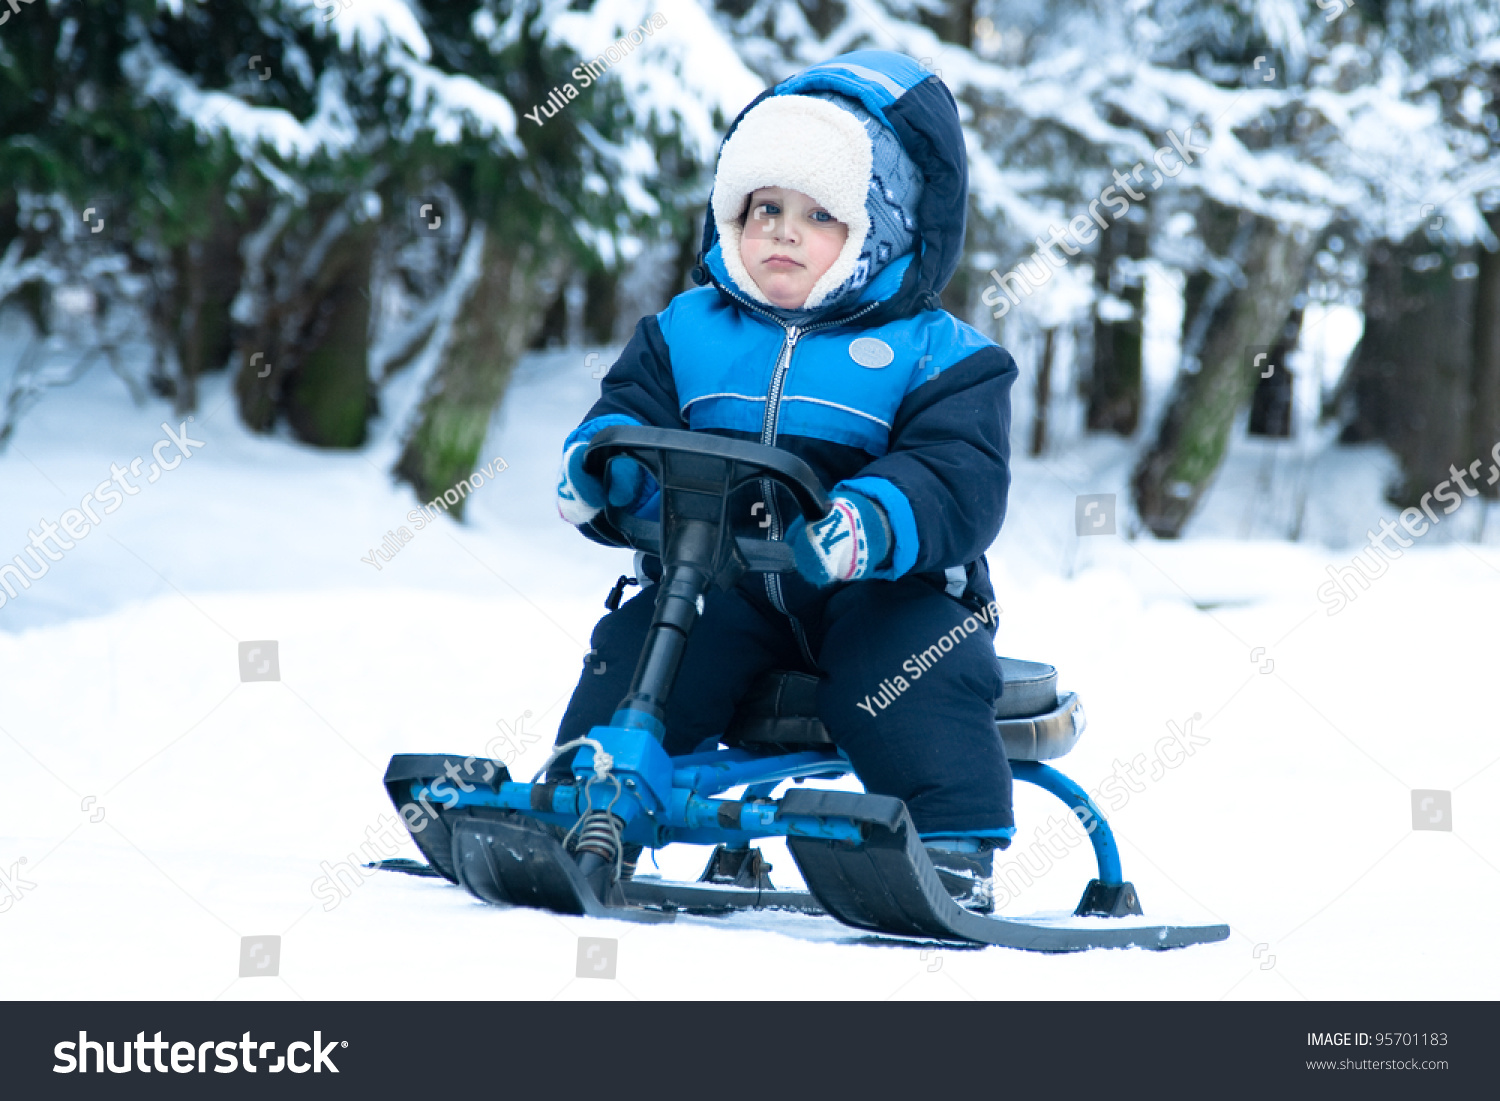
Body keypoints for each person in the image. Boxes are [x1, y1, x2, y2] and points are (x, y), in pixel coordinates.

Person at [550, 50, 1020, 912]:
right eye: (764, 206)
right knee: (640, 642)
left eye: (817, 213)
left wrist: (870, 521)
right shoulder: (686, 331)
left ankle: (950, 843)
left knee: (916, 668)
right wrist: (606, 475)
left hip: (881, 593)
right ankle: (584, 801)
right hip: (717, 584)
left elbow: (960, 477)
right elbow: (628, 419)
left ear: (882, 226)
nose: (780, 230)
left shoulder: (939, 353)